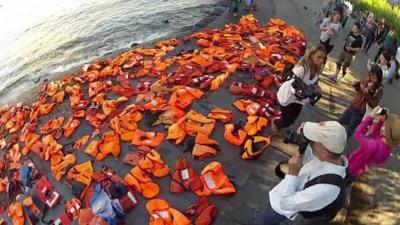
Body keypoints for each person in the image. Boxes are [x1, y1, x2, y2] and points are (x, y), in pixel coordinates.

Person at [253, 121, 348, 225]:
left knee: (262, 221)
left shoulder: (326, 189)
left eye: (312, 142)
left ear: (324, 152)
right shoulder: (330, 159)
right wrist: (304, 138)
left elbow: (286, 203)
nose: (310, 143)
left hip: (279, 209)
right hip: (278, 194)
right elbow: (312, 158)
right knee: (262, 213)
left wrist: (292, 174)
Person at [272, 44, 325, 134]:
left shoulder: (317, 70)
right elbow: (290, 83)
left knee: (292, 119)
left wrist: (316, 88)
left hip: (299, 100)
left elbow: (313, 82)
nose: (321, 60)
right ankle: (275, 123)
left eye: (323, 58)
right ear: (311, 55)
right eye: (318, 57)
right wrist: (301, 91)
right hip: (288, 97)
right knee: (287, 121)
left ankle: (280, 122)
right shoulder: (301, 69)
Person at [346, 107, 399, 181]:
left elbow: (358, 134)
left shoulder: (373, 145)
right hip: (358, 170)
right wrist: (381, 121)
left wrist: (370, 117)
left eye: (385, 126)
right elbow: (375, 135)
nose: (383, 127)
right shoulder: (387, 148)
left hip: (350, 167)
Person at [339, 65, 383, 137]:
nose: (372, 79)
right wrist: (357, 84)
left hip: (360, 114)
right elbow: (358, 90)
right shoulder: (366, 80)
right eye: (371, 76)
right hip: (352, 107)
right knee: (339, 122)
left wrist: (367, 94)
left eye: (375, 78)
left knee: (348, 130)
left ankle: (341, 144)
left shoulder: (379, 90)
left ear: (378, 79)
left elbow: (373, 104)